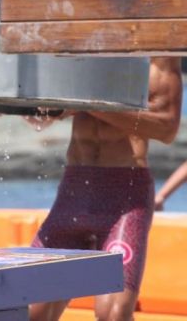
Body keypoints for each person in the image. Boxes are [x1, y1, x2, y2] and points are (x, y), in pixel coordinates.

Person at [27, 57, 183, 321]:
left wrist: (88, 104)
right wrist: (34, 108)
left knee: (113, 314)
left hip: (125, 193)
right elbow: (38, 119)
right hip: (74, 190)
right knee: (30, 309)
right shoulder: (80, 49)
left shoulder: (157, 55)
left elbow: (166, 127)